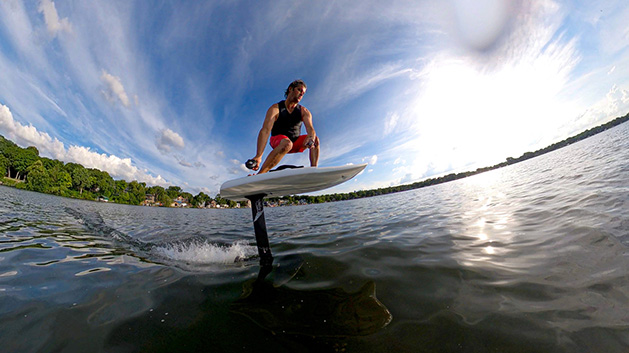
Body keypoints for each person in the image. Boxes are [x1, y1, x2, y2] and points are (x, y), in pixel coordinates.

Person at [249, 79, 320, 174]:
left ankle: (313, 171)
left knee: (315, 140)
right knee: (287, 143)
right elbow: (265, 131)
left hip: (294, 142)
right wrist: (258, 156)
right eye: (299, 90)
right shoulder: (275, 108)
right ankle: (261, 174)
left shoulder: (304, 111)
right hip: (278, 141)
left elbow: (310, 129)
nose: (301, 94)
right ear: (291, 89)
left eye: (303, 93)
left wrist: (311, 138)